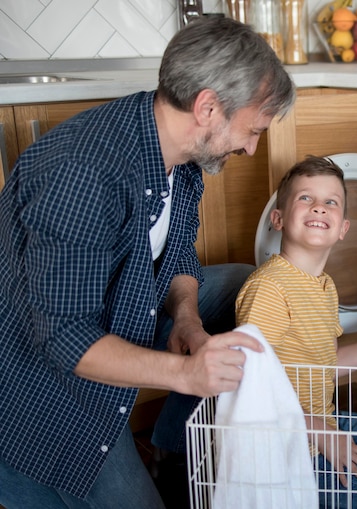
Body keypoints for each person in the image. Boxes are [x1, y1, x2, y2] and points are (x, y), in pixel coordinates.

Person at [0, 16, 295, 509]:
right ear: (207, 107)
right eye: (252, 130)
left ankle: (175, 446)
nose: (251, 147)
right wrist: (185, 375)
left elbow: (178, 246)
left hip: (108, 310)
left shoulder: (179, 153)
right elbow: (66, 339)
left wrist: (187, 319)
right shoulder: (83, 173)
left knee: (240, 285)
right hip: (41, 384)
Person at [236, 155, 357, 509]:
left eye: (331, 201)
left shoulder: (323, 286)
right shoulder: (270, 289)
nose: (319, 207)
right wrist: (320, 433)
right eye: (305, 198)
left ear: (342, 229)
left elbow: (326, 363)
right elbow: (247, 384)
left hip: (319, 419)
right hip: (285, 443)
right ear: (278, 219)